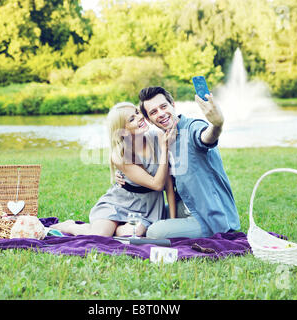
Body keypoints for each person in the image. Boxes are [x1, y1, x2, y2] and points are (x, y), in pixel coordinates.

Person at [116, 86, 240, 239]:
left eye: (163, 106)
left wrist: (217, 125)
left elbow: (205, 137)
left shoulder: (192, 127)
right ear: (149, 119)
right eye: (154, 112)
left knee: (155, 232)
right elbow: (152, 171)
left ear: (173, 104)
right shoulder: (164, 139)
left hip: (211, 217)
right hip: (188, 207)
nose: (161, 114)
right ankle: (117, 226)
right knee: (147, 215)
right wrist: (124, 175)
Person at [50, 102, 176, 237]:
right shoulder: (119, 155)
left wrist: (173, 223)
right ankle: (69, 226)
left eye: (137, 112)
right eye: (131, 119)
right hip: (118, 202)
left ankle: (116, 228)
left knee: (133, 232)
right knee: (99, 235)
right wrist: (164, 149)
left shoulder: (158, 137)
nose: (139, 117)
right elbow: (157, 185)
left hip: (147, 208)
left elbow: (168, 184)